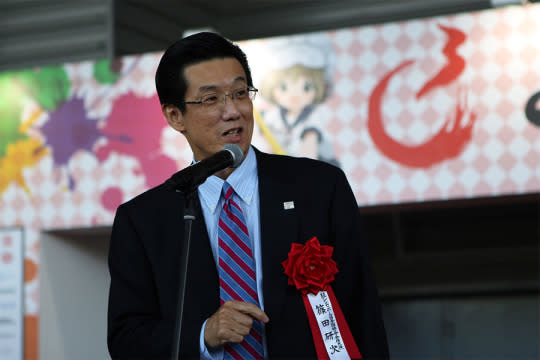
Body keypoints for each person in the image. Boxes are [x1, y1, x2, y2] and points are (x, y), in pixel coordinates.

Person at [107, 31, 389, 359]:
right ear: (175, 116)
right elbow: (127, 341)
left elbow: (362, 312)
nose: (233, 111)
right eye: (211, 99)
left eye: (240, 93)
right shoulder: (144, 220)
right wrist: (203, 335)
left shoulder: (319, 188)